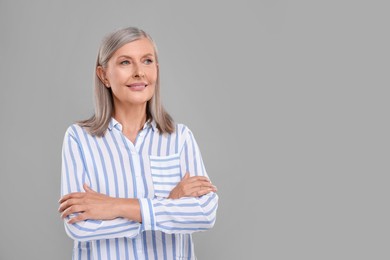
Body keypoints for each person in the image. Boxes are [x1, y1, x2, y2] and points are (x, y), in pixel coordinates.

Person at [58, 27, 218, 259]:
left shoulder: (180, 138)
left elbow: (204, 214)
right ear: (104, 75)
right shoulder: (79, 139)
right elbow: (79, 225)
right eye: (125, 62)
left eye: (147, 61)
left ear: (156, 70)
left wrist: (115, 207)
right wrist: (168, 205)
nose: (139, 72)